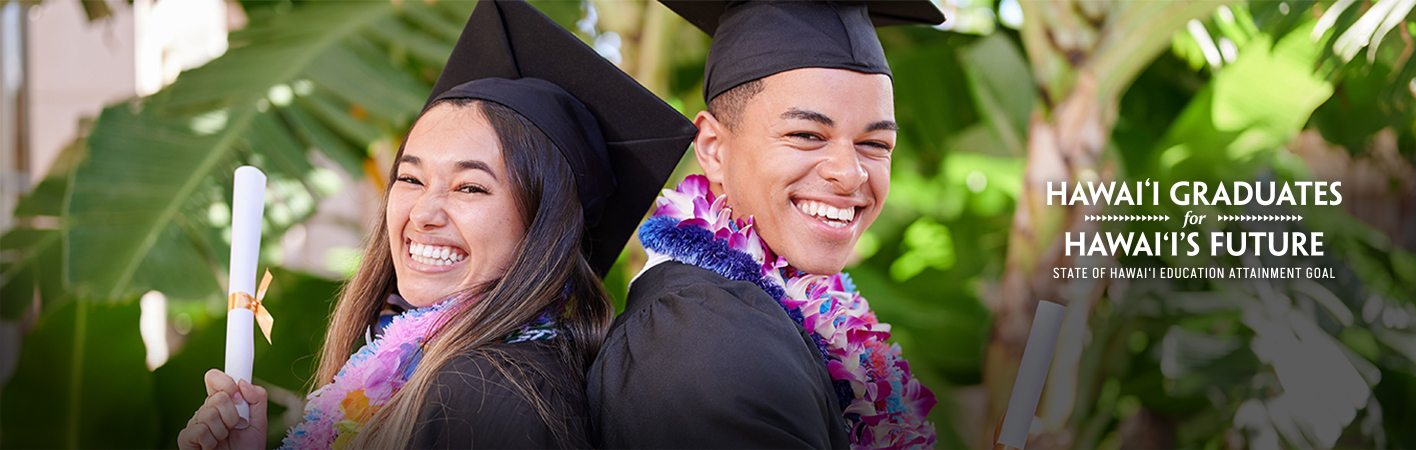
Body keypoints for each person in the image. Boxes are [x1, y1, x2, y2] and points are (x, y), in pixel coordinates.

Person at [176, 1, 695, 449]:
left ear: (545, 227)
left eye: (470, 187)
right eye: (410, 178)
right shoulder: (436, 371)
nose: (424, 213)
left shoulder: (482, 395)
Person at [587, 1, 945, 449]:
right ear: (715, 148)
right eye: (807, 135)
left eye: (875, 144)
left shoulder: (781, 313)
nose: (850, 173)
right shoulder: (698, 340)